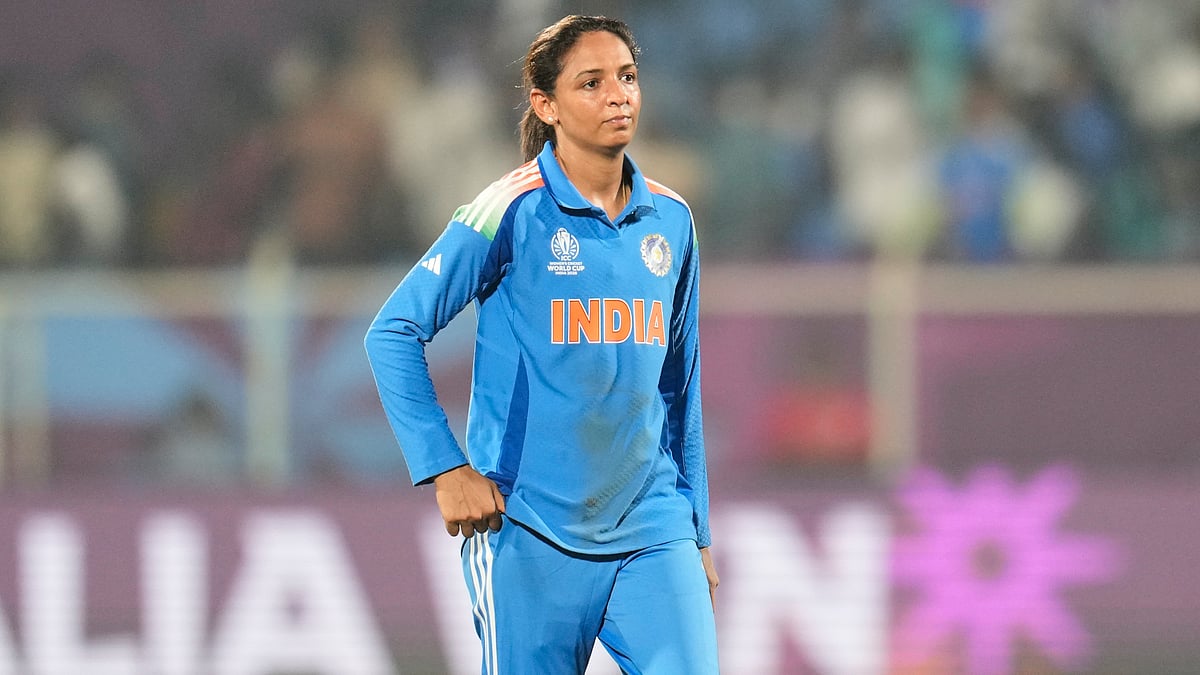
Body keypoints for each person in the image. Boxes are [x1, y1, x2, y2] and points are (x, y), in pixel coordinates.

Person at [364, 15, 719, 674]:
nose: (618, 96)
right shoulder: (508, 209)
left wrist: (695, 530)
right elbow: (392, 332)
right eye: (592, 82)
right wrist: (446, 468)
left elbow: (680, 386)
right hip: (529, 532)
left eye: (628, 77)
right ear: (546, 105)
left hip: (652, 532)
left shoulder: (671, 219)